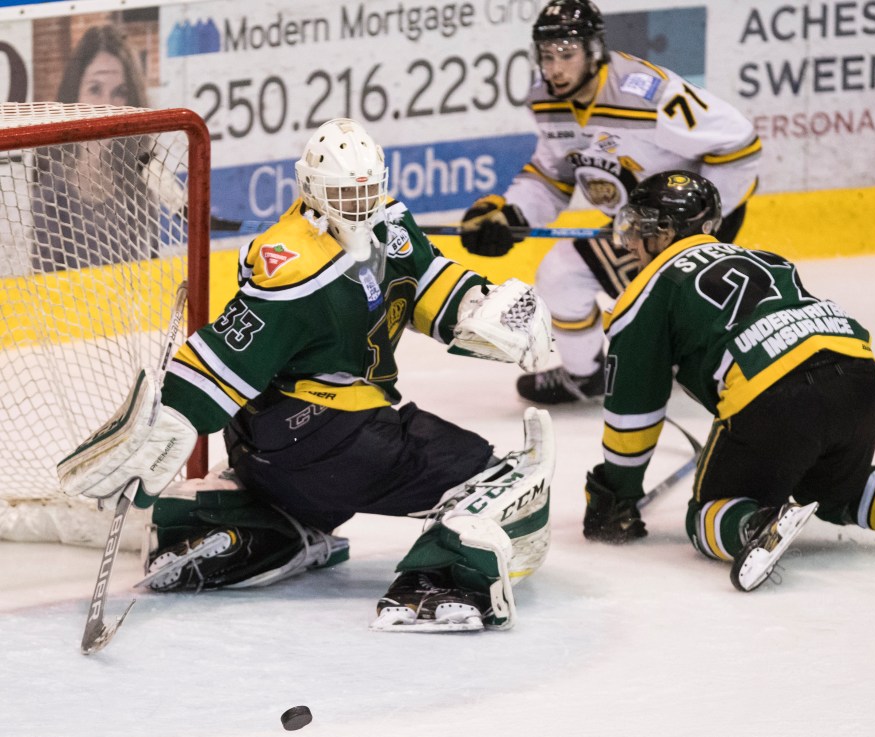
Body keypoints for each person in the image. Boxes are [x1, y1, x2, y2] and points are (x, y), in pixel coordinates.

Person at [57, 118, 556, 632]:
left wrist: (487, 306)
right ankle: (437, 581)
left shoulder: (392, 228)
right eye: (345, 192)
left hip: (270, 456)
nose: (360, 204)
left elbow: (430, 284)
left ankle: (268, 529)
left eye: (367, 190)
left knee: (320, 483)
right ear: (312, 188)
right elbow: (230, 349)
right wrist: (171, 415)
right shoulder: (292, 265)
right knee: (501, 477)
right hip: (344, 446)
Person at [581, 169, 875, 591]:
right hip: (859, 379)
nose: (630, 241)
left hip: (775, 398)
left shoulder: (647, 289)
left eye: (641, 227)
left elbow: (634, 408)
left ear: (667, 231)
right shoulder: (764, 258)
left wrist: (616, 494)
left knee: (707, 512)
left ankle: (755, 525)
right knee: (839, 487)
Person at [459, 0, 762, 404]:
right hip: (636, 226)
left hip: (697, 227)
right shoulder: (546, 99)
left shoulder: (646, 96)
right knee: (560, 275)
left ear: (594, 51)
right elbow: (554, 174)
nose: (555, 68)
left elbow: (740, 144)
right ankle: (586, 376)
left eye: (567, 54)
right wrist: (512, 214)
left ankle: (737, 370)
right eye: (547, 56)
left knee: (675, 327)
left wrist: (692, 224)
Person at [31, 25, 158, 271]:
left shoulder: (140, 187)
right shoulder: (52, 194)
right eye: (95, 89)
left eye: (119, 92)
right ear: (75, 94)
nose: (107, 106)